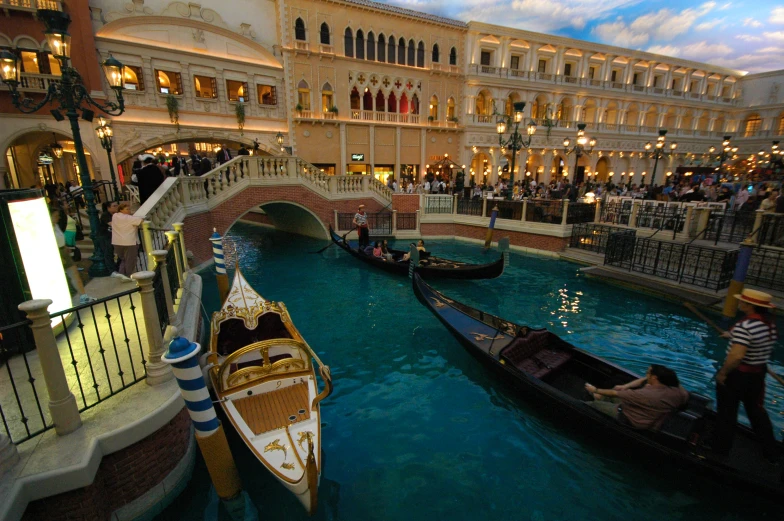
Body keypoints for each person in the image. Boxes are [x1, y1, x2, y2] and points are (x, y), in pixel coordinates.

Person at [712, 289, 778, 461]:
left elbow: (737, 356)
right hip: (757, 375)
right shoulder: (768, 324)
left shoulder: (745, 326)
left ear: (749, 305)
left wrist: (723, 374)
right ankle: (771, 452)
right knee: (756, 411)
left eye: (742, 301)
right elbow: (751, 340)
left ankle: (720, 451)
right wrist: (731, 335)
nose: (739, 303)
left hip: (738, 375)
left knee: (727, 413)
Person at [584, 364, 688, 430]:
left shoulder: (645, 394)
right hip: (647, 411)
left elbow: (614, 393)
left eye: (648, 373)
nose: (646, 374)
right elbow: (644, 380)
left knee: (594, 404)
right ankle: (600, 397)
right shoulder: (678, 391)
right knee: (616, 390)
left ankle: (595, 399)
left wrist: (595, 389)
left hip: (629, 417)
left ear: (655, 378)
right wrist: (625, 386)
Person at [51, 207, 95, 304]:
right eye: (56, 216)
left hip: (62, 250)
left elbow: (59, 238)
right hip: (56, 253)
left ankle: (83, 296)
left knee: (74, 274)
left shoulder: (56, 226)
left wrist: (65, 246)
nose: (58, 218)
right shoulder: (48, 228)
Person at [111, 202, 144, 278]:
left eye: (129, 209)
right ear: (121, 210)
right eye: (127, 209)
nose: (129, 211)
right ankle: (129, 276)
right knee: (130, 261)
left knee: (124, 259)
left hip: (117, 242)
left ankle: (122, 274)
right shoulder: (128, 218)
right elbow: (140, 221)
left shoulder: (115, 216)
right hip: (129, 242)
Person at [97, 201, 119, 275]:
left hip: (112, 236)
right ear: (108, 207)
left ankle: (115, 267)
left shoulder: (115, 214)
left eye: (116, 205)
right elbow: (112, 224)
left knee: (113, 253)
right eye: (114, 206)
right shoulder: (105, 215)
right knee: (108, 253)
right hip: (105, 236)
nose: (116, 207)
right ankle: (111, 270)